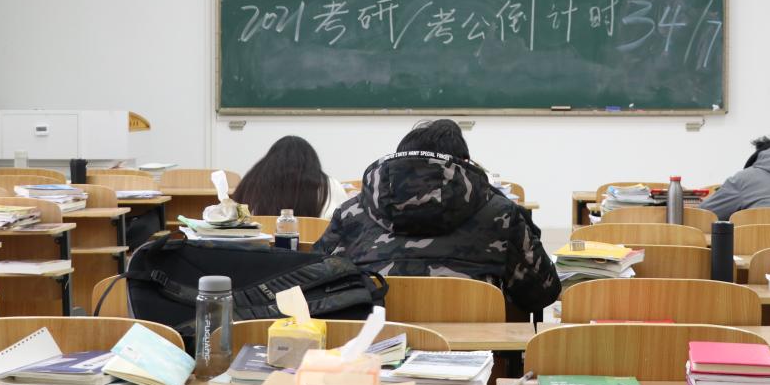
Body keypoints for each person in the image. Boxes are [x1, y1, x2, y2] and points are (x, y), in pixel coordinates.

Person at [312, 119, 561, 313]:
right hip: (478, 354)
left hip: (376, 353)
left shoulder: (351, 213)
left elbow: (312, 284)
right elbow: (543, 293)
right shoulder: (501, 214)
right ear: (465, 163)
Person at [233, 135, 348, 219]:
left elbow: (235, 218)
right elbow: (345, 222)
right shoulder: (330, 185)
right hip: (314, 245)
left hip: (261, 245)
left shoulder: (252, 182)